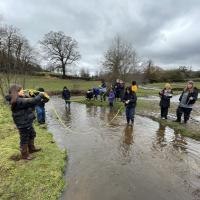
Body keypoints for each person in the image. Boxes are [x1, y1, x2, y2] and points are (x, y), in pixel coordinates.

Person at [6, 84, 48, 160]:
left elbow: (30, 100)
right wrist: (40, 95)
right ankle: (24, 155)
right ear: (16, 92)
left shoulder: (21, 98)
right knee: (24, 138)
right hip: (23, 123)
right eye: (21, 90)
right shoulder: (17, 101)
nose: (23, 90)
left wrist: (32, 95)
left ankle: (31, 148)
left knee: (32, 134)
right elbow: (32, 101)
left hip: (27, 121)